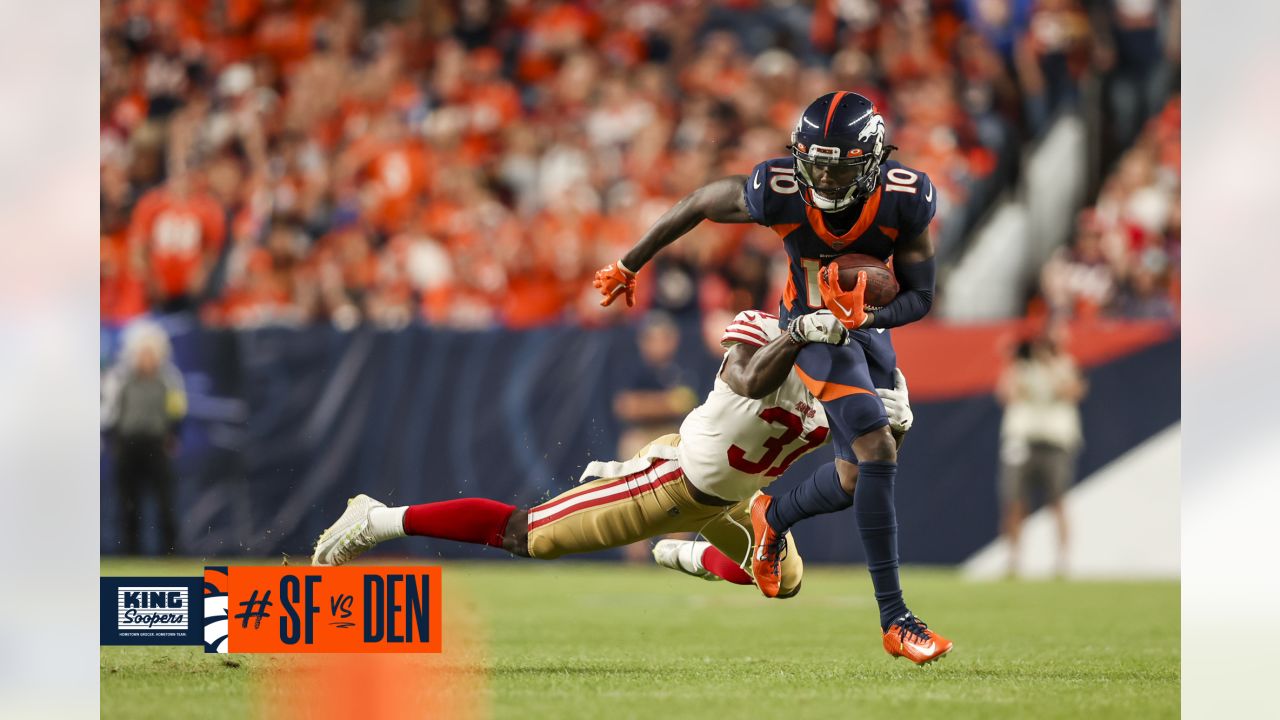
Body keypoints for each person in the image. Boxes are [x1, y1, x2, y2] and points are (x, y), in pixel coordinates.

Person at [313, 309, 946, 663]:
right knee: (526, 535)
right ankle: (379, 518)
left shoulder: (851, 391)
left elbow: (855, 474)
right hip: (668, 482)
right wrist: (799, 332)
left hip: (732, 500)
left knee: (784, 581)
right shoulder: (772, 333)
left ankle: (684, 552)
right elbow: (747, 376)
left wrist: (893, 428)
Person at [592, 91, 947, 658]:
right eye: (818, 162)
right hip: (805, 324)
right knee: (878, 449)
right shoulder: (779, 188)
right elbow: (702, 201)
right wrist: (629, 261)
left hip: (863, 325)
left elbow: (922, 296)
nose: (827, 178)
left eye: (842, 165)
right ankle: (897, 620)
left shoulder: (905, 197)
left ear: (874, 159)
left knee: (856, 477)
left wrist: (870, 315)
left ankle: (772, 515)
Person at [996, 327, 1087, 577]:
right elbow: (1007, 394)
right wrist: (1012, 361)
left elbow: (1071, 391)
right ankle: (1013, 559)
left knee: (1058, 502)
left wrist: (1050, 366)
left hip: (1055, 442)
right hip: (1022, 440)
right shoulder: (1020, 368)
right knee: (1014, 502)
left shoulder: (1065, 365)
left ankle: (1063, 561)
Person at [612, 311, 700, 562]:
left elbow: (688, 404)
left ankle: (673, 558)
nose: (659, 343)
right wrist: (665, 403)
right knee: (633, 499)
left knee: (684, 497)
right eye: (653, 338)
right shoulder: (633, 367)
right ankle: (636, 561)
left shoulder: (682, 368)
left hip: (671, 434)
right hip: (640, 435)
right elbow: (626, 406)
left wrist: (655, 405)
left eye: (664, 338)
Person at [101, 320, 188, 554]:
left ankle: (171, 553)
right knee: (128, 504)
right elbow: (109, 412)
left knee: (165, 502)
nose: (147, 359)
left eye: (151, 353)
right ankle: (130, 552)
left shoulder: (169, 378)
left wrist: (174, 435)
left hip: (157, 445)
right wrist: (111, 441)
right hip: (127, 445)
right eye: (142, 353)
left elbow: (177, 410)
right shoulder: (120, 378)